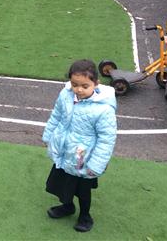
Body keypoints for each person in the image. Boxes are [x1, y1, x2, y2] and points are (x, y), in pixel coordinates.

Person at [43, 59, 117, 233]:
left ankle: (85, 215)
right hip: (65, 150)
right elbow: (57, 115)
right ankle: (67, 206)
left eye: (85, 86)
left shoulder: (104, 110)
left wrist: (96, 164)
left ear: (95, 83)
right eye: (74, 84)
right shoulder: (65, 95)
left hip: (83, 158)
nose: (79, 89)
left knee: (83, 189)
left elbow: (107, 139)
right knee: (63, 182)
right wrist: (48, 134)